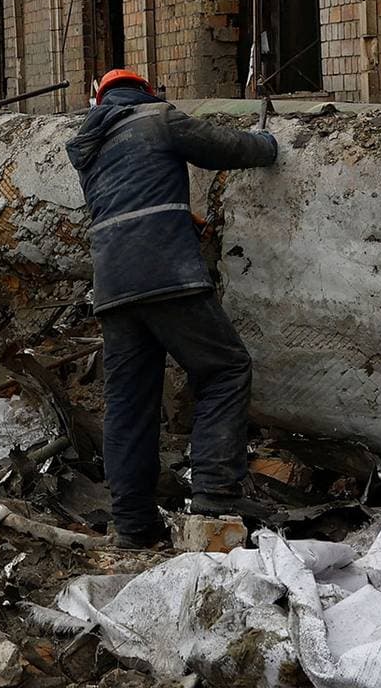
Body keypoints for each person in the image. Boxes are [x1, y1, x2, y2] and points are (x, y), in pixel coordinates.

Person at [66, 68, 279, 547]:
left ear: (99, 101)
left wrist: (185, 214)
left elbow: (127, 199)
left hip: (114, 289)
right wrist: (269, 144)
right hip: (166, 274)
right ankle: (214, 496)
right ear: (144, 91)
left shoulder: (89, 148)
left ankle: (133, 525)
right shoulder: (157, 117)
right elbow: (225, 148)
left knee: (128, 404)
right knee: (225, 368)